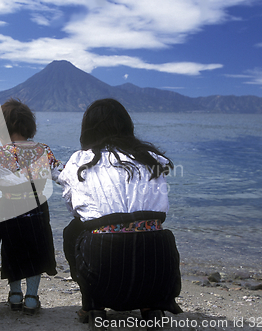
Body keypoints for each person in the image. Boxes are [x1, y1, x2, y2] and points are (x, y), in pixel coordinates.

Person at [58, 99, 182, 330]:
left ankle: (93, 304)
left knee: (73, 230)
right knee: (151, 231)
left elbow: (75, 209)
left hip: (104, 265)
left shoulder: (80, 160)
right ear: (127, 126)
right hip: (157, 262)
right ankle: (151, 305)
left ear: (87, 129)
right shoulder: (151, 159)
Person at [0, 99, 63, 315]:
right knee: (36, 251)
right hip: (37, 209)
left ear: (1, 127)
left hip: (9, 207)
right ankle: (32, 298)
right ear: (29, 125)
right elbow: (61, 176)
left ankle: (15, 295)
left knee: (12, 250)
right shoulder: (43, 150)